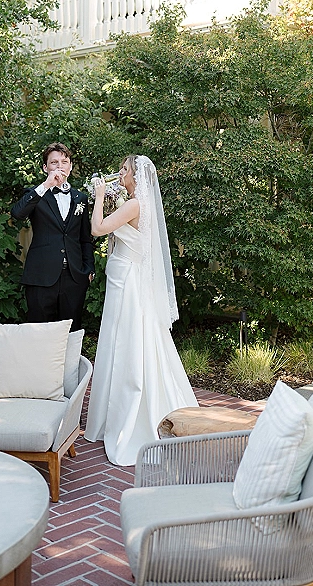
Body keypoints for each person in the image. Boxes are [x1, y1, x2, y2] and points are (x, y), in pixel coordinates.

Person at [84, 154, 198, 465]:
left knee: (126, 343)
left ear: (137, 177)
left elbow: (97, 229)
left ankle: (131, 414)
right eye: (120, 168)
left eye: (124, 170)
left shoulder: (134, 205)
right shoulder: (136, 203)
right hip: (125, 277)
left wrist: (97, 196)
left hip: (128, 284)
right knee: (129, 340)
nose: (119, 174)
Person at [11, 142, 95, 331]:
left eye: (64, 162)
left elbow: (84, 238)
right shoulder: (36, 194)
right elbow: (17, 213)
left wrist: (89, 269)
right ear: (45, 167)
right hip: (41, 276)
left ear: (71, 166)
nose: (59, 166)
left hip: (74, 277)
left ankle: (70, 363)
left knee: (71, 332)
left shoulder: (80, 198)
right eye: (54, 162)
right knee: (40, 332)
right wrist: (47, 184)